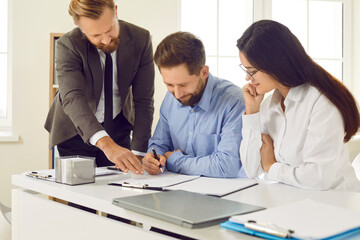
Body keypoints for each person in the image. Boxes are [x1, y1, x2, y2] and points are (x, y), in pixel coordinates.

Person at [237, 20, 360, 191]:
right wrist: (251, 112)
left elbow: (318, 177)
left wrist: (271, 166)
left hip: (336, 204)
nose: (247, 78)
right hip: (293, 203)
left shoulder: (321, 102)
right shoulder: (268, 106)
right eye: (245, 70)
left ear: (274, 64)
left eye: (252, 71)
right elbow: (251, 169)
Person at [45, 0, 155, 174]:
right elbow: (73, 98)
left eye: (110, 29)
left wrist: (139, 152)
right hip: (76, 129)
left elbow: (144, 100)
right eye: (96, 35)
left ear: (116, 12)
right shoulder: (67, 44)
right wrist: (106, 144)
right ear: (79, 26)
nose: (106, 39)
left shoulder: (140, 39)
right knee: (80, 195)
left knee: (119, 191)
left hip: (119, 126)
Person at [142, 32, 246, 178]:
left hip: (225, 195)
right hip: (177, 191)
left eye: (183, 84)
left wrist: (173, 160)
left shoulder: (234, 102)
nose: (177, 94)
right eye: (169, 84)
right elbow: (159, 144)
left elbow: (227, 165)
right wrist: (153, 159)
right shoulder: (170, 99)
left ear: (203, 72)